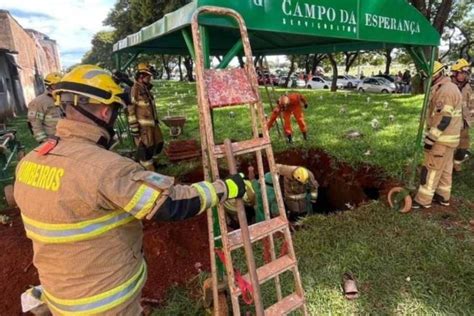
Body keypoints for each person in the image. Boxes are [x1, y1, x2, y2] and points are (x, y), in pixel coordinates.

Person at [13, 65, 246, 315]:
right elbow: (168, 204)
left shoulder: (30, 161)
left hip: (61, 297)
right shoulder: (105, 169)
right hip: (106, 303)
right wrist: (227, 187)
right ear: (105, 111)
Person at [413, 61, 463, 209]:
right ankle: (442, 196)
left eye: (427, 77)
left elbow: (443, 119)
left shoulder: (445, 91)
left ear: (436, 75)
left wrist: (430, 139)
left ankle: (423, 200)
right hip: (450, 140)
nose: (425, 80)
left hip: (441, 140)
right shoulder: (449, 87)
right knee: (445, 170)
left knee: (431, 170)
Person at [129, 63, 164, 171]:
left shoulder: (145, 88)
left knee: (158, 144)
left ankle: (154, 165)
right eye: (148, 77)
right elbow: (131, 109)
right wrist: (135, 129)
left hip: (152, 124)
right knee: (146, 149)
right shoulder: (135, 89)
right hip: (143, 127)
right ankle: (149, 172)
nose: (150, 79)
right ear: (140, 77)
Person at [27, 72, 63, 143]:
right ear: (49, 85)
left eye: (61, 85)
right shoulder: (39, 102)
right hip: (52, 139)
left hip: (67, 138)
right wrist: (43, 141)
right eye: (56, 85)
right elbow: (35, 123)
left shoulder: (64, 98)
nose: (59, 88)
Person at [451, 59, 473, 172]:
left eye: (465, 73)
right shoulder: (448, 87)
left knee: (463, 148)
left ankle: (457, 164)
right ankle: (447, 167)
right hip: (450, 123)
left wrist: (471, 119)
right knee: (449, 147)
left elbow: (472, 104)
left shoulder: (467, 87)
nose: (463, 76)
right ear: (454, 73)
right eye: (461, 73)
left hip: (464, 123)